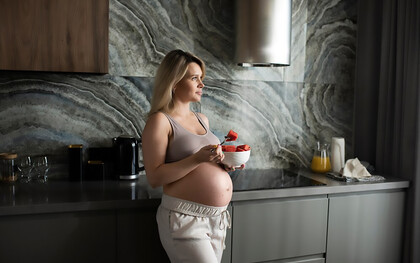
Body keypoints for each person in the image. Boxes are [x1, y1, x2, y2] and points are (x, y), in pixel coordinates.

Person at [142, 49, 243, 263]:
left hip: (217, 219)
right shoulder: (160, 121)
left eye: (201, 78)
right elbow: (154, 177)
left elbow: (201, 164)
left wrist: (222, 165)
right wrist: (198, 158)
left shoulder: (201, 119)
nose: (202, 84)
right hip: (184, 219)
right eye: (194, 78)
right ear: (175, 82)